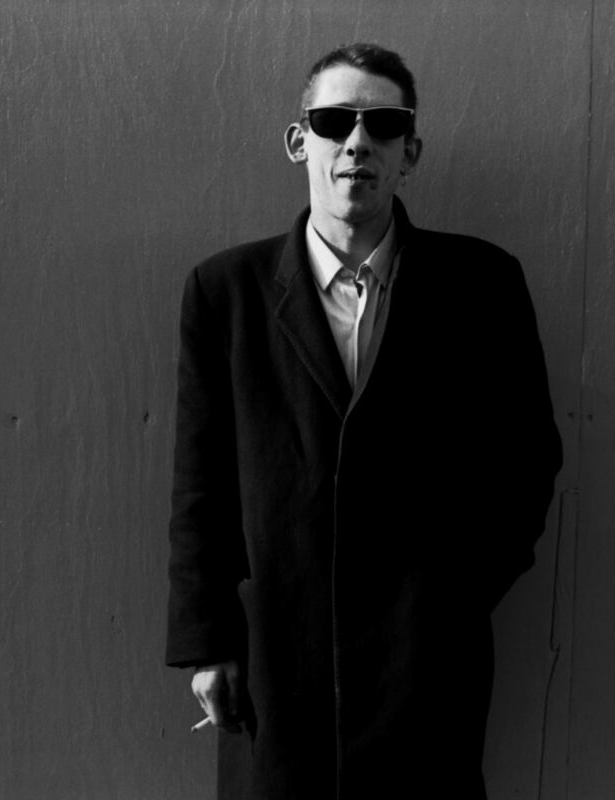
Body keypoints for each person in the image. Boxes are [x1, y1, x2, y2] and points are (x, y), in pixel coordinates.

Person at [166, 42, 562, 800]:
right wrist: (207, 640)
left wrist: (450, 597)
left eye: (383, 124)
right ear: (299, 141)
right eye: (333, 121)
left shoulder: (482, 284)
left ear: (410, 151)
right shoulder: (226, 292)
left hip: (426, 662)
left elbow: (527, 459)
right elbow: (200, 483)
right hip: (277, 657)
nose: (357, 141)